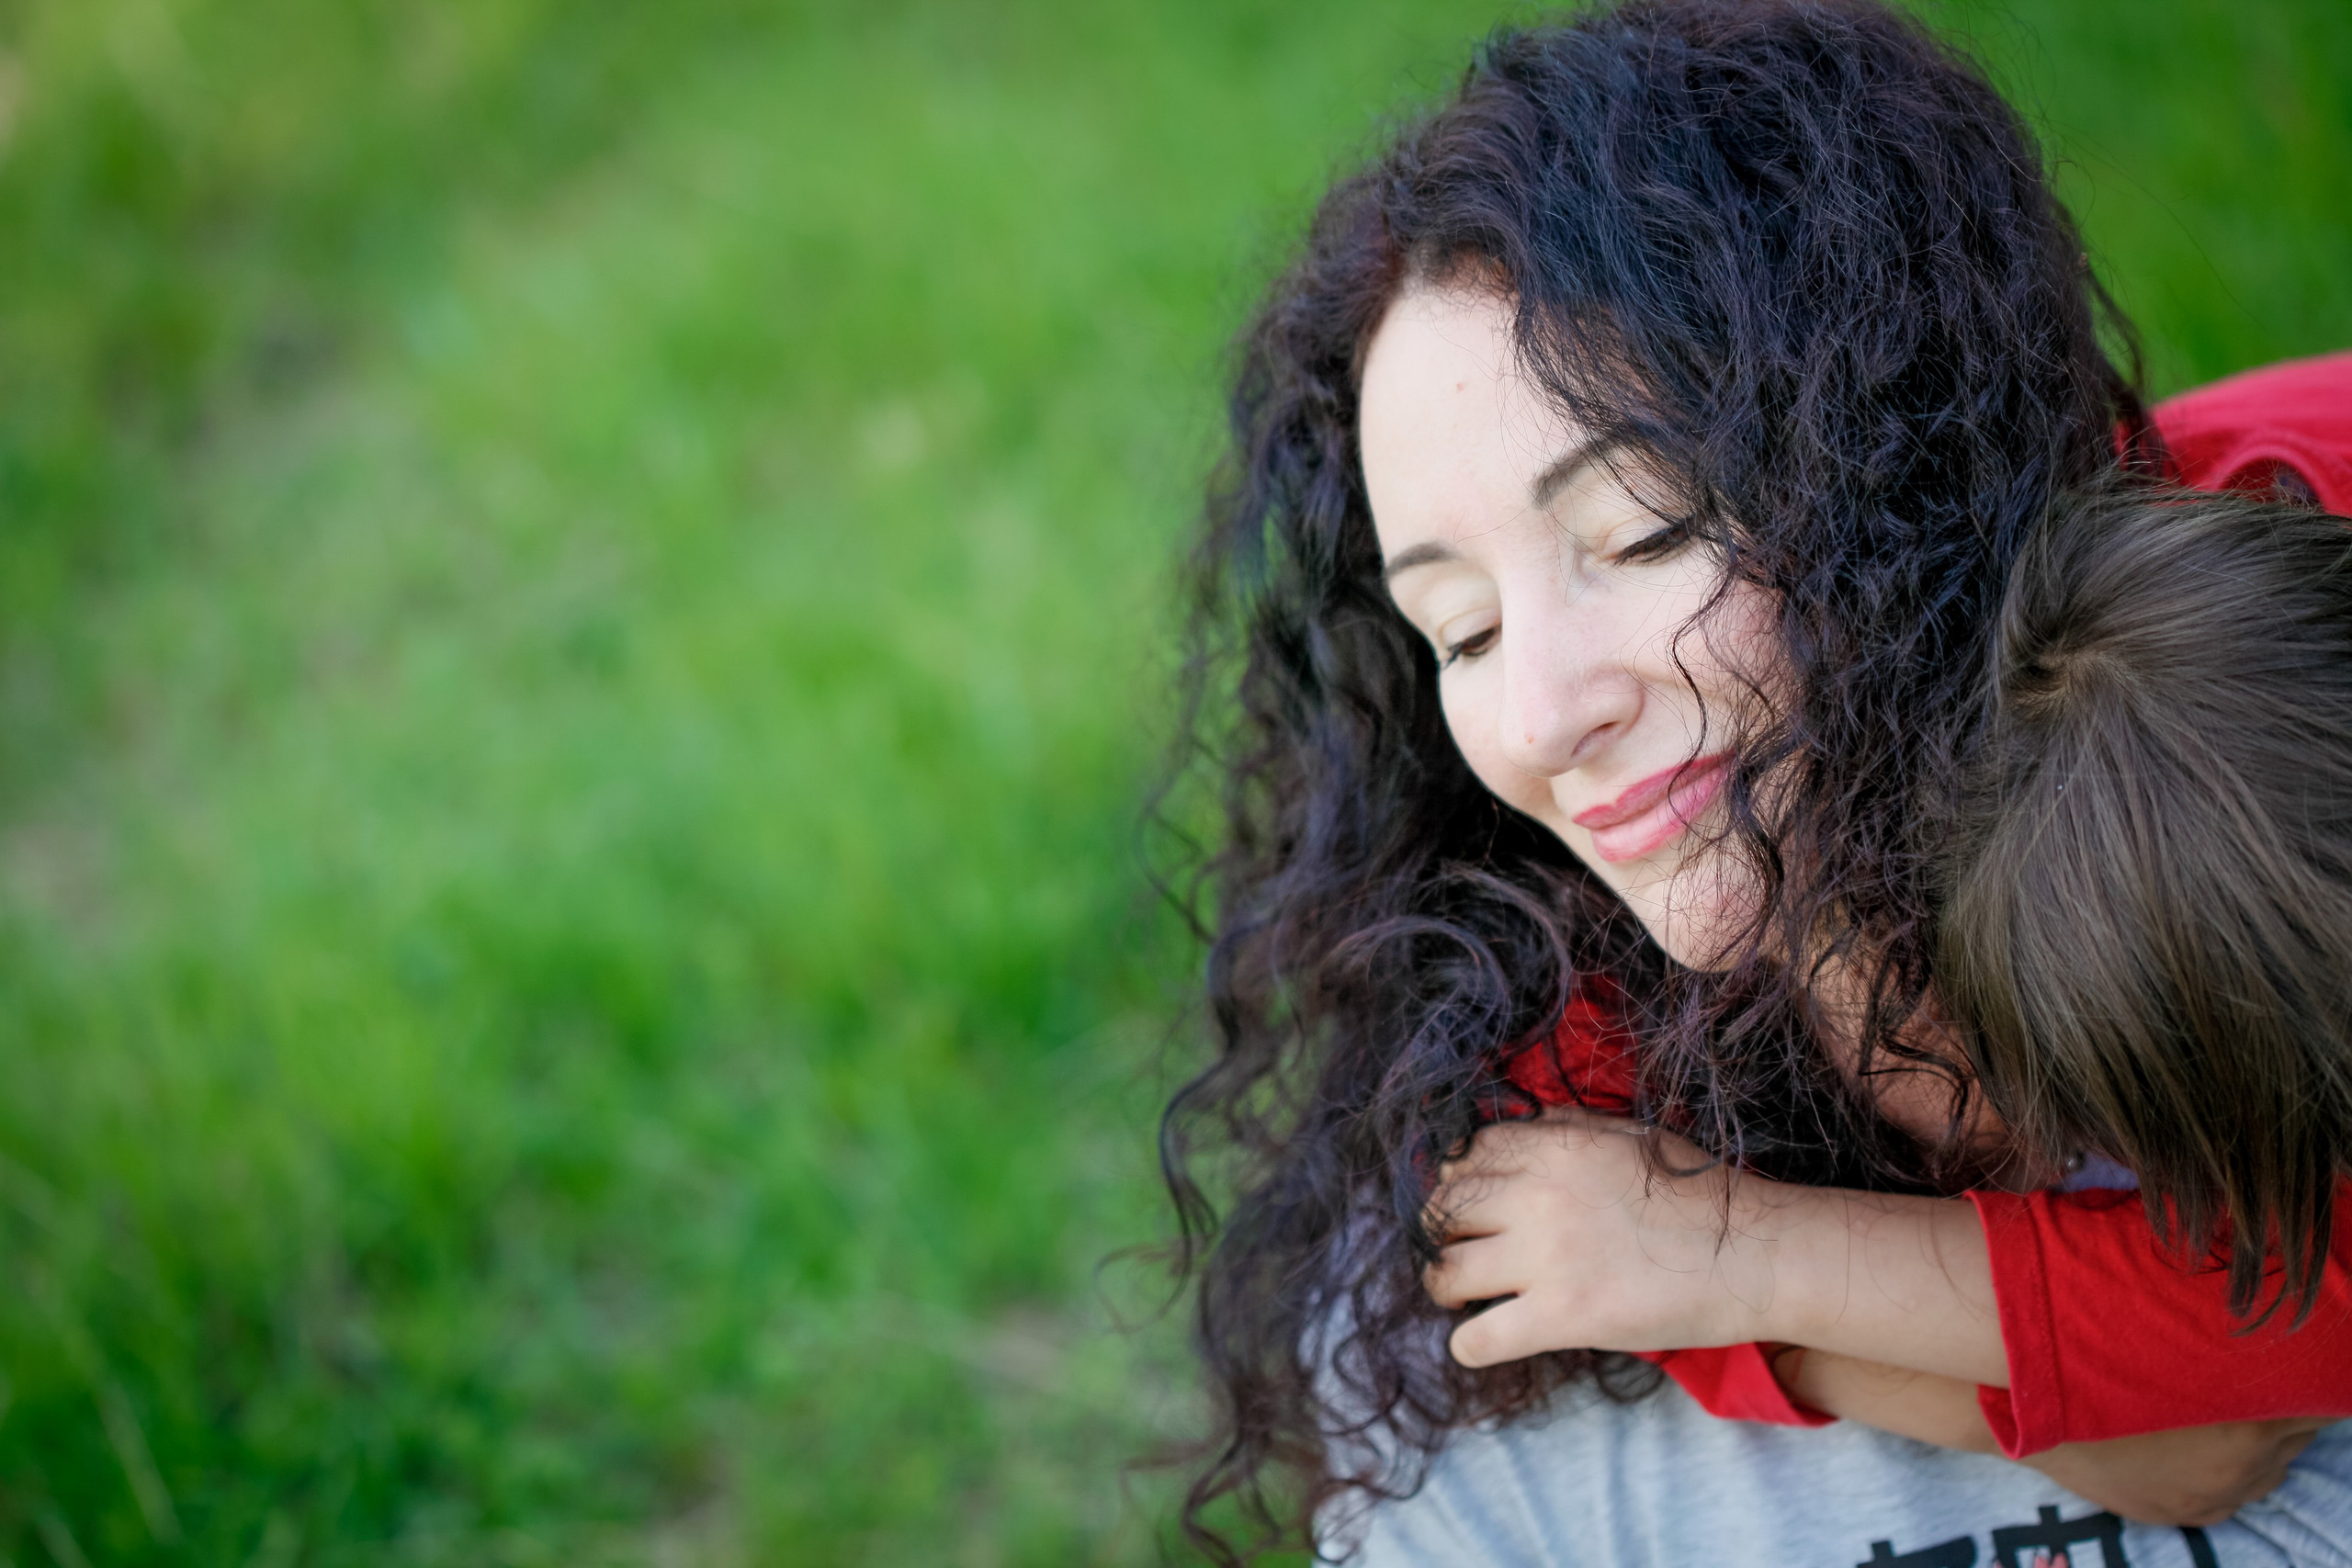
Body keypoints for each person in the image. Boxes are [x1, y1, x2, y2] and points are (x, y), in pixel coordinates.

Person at [1157, 0, 2352, 1560]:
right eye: (1460, 626)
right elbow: (2191, 1446)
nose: (1541, 714)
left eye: (1645, 537)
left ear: (1888, 460)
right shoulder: (1551, 979)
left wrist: (1744, 1252)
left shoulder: (2232, 685)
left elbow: (2279, 1343)